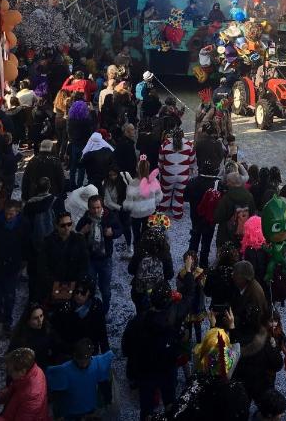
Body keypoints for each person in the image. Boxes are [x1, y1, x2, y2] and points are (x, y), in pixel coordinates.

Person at [133, 270, 195, 418]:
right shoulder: (176, 314)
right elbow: (189, 297)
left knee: (147, 407)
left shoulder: (139, 321)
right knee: (170, 402)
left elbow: (128, 346)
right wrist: (189, 273)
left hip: (147, 368)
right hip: (167, 366)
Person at [46, 337, 113, 421]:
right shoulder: (65, 370)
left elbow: (104, 384)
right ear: (74, 356)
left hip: (91, 409)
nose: (83, 365)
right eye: (80, 362)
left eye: (86, 361)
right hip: (71, 412)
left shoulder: (97, 364)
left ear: (91, 356)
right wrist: (58, 414)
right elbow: (58, 395)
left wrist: (107, 399)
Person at [75, 193, 121, 313]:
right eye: (93, 208)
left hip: (105, 260)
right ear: (88, 208)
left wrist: (113, 232)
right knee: (90, 287)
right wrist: (82, 232)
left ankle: (104, 311)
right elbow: (77, 236)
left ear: (102, 207)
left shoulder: (109, 216)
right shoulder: (85, 219)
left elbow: (120, 229)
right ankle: (90, 310)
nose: (95, 211)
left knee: (105, 289)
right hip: (90, 260)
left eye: (98, 207)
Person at [0, 199, 30, 333]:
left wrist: (24, 260)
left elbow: (26, 245)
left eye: (11, 214)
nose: (8, 217)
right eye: (7, 213)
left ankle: (7, 318)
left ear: (17, 213)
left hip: (13, 265)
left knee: (9, 294)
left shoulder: (23, 225)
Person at [36, 209, 90, 301]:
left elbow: (84, 263)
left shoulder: (79, 240)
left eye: (69, 224)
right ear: (56, 226)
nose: (67, 228)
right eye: (63, 225)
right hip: (55, 284)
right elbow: (43, 265)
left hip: (74, 283)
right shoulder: (48, 242)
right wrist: (53, 284)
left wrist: (78, 283)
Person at [50, 276, 110, 356]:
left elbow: (102, 331)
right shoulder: (65, 307)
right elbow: (57, 330)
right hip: (70, 351)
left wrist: (106, 354)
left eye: (83, 292)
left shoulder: (96, 307)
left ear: (90, 293)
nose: (78, 295)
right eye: (76, 292)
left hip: (89, 351)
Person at [0, 347, 49, 421]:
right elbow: (13, 388)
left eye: (11, 371)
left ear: (22, 371)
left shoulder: (32, 396)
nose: (9, 374)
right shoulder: (32, 372)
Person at [122, 155, 162, 252]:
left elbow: (129, 203)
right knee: (147, 233)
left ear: (137, 168)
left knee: (136, 234)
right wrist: (153, 203)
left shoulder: (132, 183)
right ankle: (146, 251)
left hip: (136, 213)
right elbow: (159, 196)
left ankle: (137, 253)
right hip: (150, 211)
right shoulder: (154, 180)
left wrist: (126, 207)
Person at [158, 125, 196, 219]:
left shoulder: (165, 144)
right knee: (179, 194)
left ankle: (162, 213)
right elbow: (192, 162)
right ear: (183, 135)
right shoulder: (189, 145)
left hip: (167, 175)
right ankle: (178, 214)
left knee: (166, 193)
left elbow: (160, 162)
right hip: (183, 176)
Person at [8, 302, 60, 370]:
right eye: (35, 318)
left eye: (41, 316)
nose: (40, 320)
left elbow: (55, 348)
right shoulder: (21, 338)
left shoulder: (47, 329)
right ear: (28, 320)